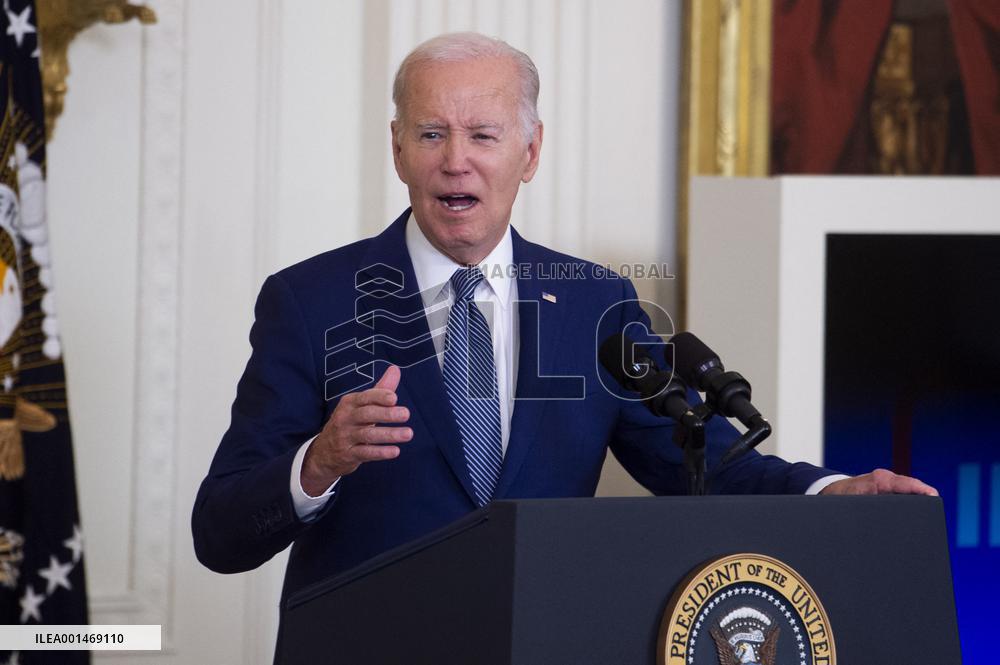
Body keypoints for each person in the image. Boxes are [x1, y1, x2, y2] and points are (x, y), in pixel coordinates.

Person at [191, 32, 936, 604]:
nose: (456, 161)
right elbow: (219, 532)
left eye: (482, 135)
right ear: (398, 149)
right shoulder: (309, 299)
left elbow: (700, 464)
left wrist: (830, 493)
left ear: (530, 152)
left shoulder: (593, 304)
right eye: (431, 134)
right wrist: (315, 463)